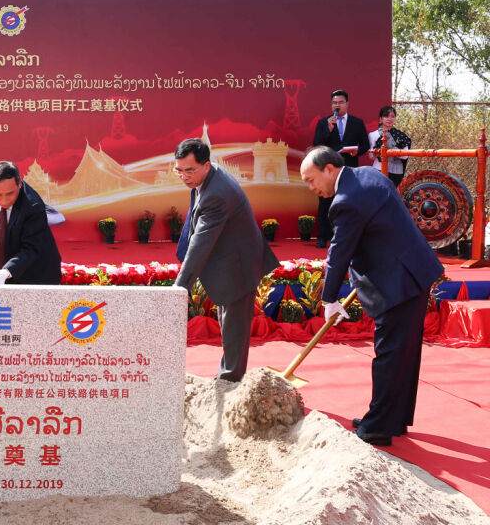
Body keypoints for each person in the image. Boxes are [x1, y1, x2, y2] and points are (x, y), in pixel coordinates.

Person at [300, 147, 442, 447]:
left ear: (329, 169)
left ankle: (378, 427)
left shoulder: (346, 201)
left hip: (397, 281)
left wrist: (328, 300)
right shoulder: (367, 174)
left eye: (311, 180)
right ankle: (394, 418)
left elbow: (338, 254)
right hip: (412, 269)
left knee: (389, 354)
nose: (311, 188)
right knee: (404, 353)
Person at [172, 139, 278, 382]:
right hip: (228, 258)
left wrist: (179, 289)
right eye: (179, 170)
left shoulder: (217, 194)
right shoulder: (208, 177)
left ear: (206, 166)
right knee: (228, 323)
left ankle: (229, 382)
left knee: (234, 330)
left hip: (237, 266)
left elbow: (200, 244)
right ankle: (228, 377)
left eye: (189, 170)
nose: (184, 176)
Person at [0, 161, 62, 285]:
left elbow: (30, 249)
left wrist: (6, 271)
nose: (3, 200)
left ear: (19, 184)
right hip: (8, 265)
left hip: (37, 276)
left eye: (10, 194)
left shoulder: (33, 207)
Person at [312, 89, 370, 248]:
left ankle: (349, 236)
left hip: (349, 167)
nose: (337, 105)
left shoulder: (357, 123)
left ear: (347, 104)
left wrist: (357, 150)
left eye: (340, 102)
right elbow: (317, 144)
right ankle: (323, 236)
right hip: (328, 168)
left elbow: (365, 144)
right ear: (331, 105)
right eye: (334, 103)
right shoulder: (324, 123)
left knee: (349, 201)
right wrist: (329, 129)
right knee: (325, 202)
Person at [368, 105, 411, 187]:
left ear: (395, 119)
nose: (389, 119)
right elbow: (371, 156)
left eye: (392, 116)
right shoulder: (373, 135)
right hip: (378, 169)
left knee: (395, 195)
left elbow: (405, 156)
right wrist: (378, 153)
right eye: (386, 116)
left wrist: (395, 151)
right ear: (380, 119)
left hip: (396, 170)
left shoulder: (401, 136)